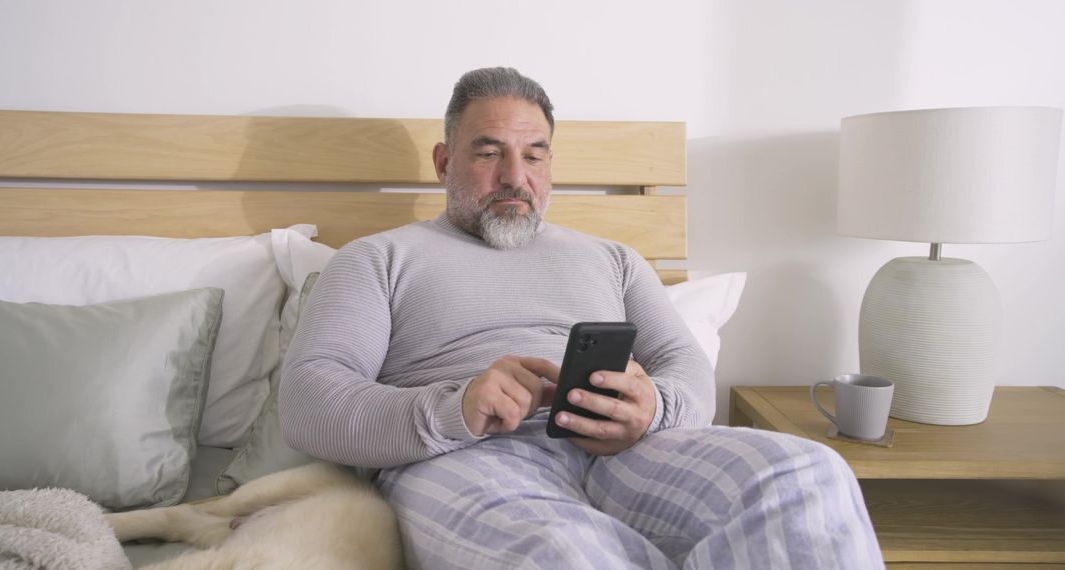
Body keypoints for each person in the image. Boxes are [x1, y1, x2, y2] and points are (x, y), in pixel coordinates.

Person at [280, 67, 884, 569]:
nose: (515, 176)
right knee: (561, 553)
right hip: (461, 458)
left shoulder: (613, 261)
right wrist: (454, 407)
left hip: (624, 450)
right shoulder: (377, 260)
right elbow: (309, 402)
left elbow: (686, 366)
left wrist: (653, 410)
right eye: (489, 152)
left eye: (534, 155)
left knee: (807, 474)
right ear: (443, 162)